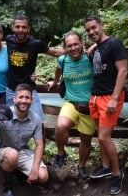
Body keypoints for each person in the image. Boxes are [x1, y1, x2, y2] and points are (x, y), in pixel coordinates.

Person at [84, 15, 128, 195]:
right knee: (100, 135)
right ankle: (105, 166)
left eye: (94, 27)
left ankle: (117, 174)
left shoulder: (115, 44)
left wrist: (114, 98)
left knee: (104, 137)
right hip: (95, 96)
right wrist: (91, 50)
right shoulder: (97, 48)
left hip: (109, 97)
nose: (91, 32)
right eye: (88, 30)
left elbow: (123, 70)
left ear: (102, 25)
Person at [6, 14, 65, 146]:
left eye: (23, 27)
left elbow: (54, 52)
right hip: (11, 90)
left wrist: (73, 50)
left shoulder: (35, 44)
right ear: (13, 28)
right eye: (18, 27)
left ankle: (41, 156)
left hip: (30, 90)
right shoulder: (9, 40)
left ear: (29, 29)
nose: (20, 30)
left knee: (39, 123)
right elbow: (2, 43)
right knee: (11, 123)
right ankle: (15, 153)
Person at [0, 83, 48, 196]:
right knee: (12, 155)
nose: (24, 101)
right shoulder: (2, 115)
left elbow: (39, 145)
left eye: (27, 97)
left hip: (22, 151)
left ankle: (16, 170)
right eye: (21, 97)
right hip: (1, 150)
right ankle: (7, 187)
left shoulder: (35, 118)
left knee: (43, 177)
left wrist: (35, 169)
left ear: (32, 100)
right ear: (14, 98)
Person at [47, 31, 95, 179]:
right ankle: (61, 153)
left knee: (86, 139)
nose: (73, 48)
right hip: (71, 102)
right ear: (65, 48)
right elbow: (58, 70)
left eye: (76, 44)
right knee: (61, 126)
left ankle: (81, 166)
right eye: (69, 46)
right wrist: (55, 81)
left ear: (81, 44)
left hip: (90, 105)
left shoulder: (91, 58)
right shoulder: (63, 60)